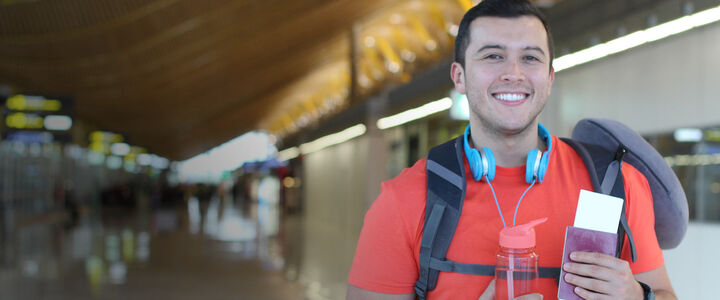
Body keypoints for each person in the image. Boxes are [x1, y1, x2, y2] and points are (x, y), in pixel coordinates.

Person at [346, 0, 676, 299]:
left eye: (530, 57)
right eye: (493, 55)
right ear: (459, 77)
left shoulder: (614, 185)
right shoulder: (406, 200)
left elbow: (665, 294)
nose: (513, 73)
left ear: (549, 79)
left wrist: (638, 297)